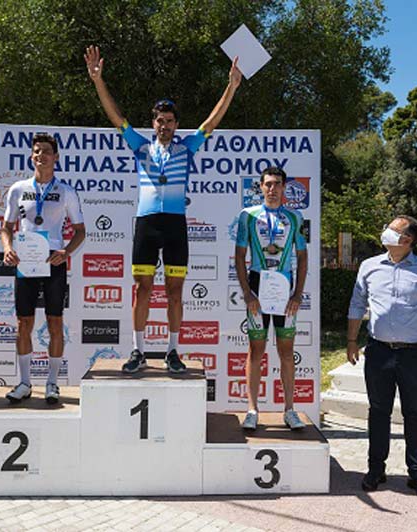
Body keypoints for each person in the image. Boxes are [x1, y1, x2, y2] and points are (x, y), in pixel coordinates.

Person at [84, 45, 242, 374]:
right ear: (153, 123)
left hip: (174, 225)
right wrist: (98, 81)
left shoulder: (188, 148)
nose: (164, 125)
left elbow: (211, 122)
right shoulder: (140, 147)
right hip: (146, 224)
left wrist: (231, 87)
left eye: (169, 121)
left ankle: (172, 351)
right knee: (142, 289)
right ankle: (138, 351)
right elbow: (115, 117)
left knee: (175, 292)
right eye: (159, 120)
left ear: (176, 124)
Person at [346, 215, 417, 500]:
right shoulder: (369, 266)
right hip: (378, 351)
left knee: (415, 414)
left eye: (393, 229)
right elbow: (357, 304)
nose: (386, 232)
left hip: (415, 353)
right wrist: (351, 341)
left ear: (407, 240)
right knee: (378, 412)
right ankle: (375, 469)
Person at [1, 133, 86, 404]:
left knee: (55, 322)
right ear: (31, 156)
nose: (41, 155)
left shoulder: (66, 191)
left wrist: (66, 252)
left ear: (56, 157)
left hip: (53, 261)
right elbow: (6, 227)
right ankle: (25, 382)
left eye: (47, 151)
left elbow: (81, 231)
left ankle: (52, 383)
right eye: (37, 151)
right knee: (23, 322)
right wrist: (7, 248)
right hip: (25, 260)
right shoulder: (18, 189)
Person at [234, 167, 308, 430]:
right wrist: (247, 292)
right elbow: (239, 256)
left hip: (284, 287)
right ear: (261, 187)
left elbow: (302, 257)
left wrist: (297, 294)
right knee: (256, 349)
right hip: (257, 285)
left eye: (277, 184)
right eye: (268, 184)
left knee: (286, 351)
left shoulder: (295, 217)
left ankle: (289, 410)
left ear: (284, 187)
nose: (272, 189)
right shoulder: (248, 216)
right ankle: (252, 409)